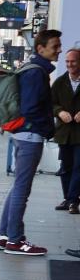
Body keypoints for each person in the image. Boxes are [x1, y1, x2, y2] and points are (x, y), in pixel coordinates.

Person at [0, 29, 63, 255]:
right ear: (40, 48)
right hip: (30, 136)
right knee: (22, 190)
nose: (59, 50)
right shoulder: (36, 73)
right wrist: (48, 130)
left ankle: (5, 235)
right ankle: (16, 240)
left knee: (18, 187)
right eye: (55, 46)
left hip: (23, 135)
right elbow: (31, 107)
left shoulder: (31, 69)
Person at [51, 47, 80, 214]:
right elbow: (51, 103)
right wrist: (59, 112)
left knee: (78, 166)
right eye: (67, 61)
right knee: (66, 166)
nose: (69, 64)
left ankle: (73, 200)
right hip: (64, 132)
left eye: (73, 61)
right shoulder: (60, 82)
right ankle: (69, 199)